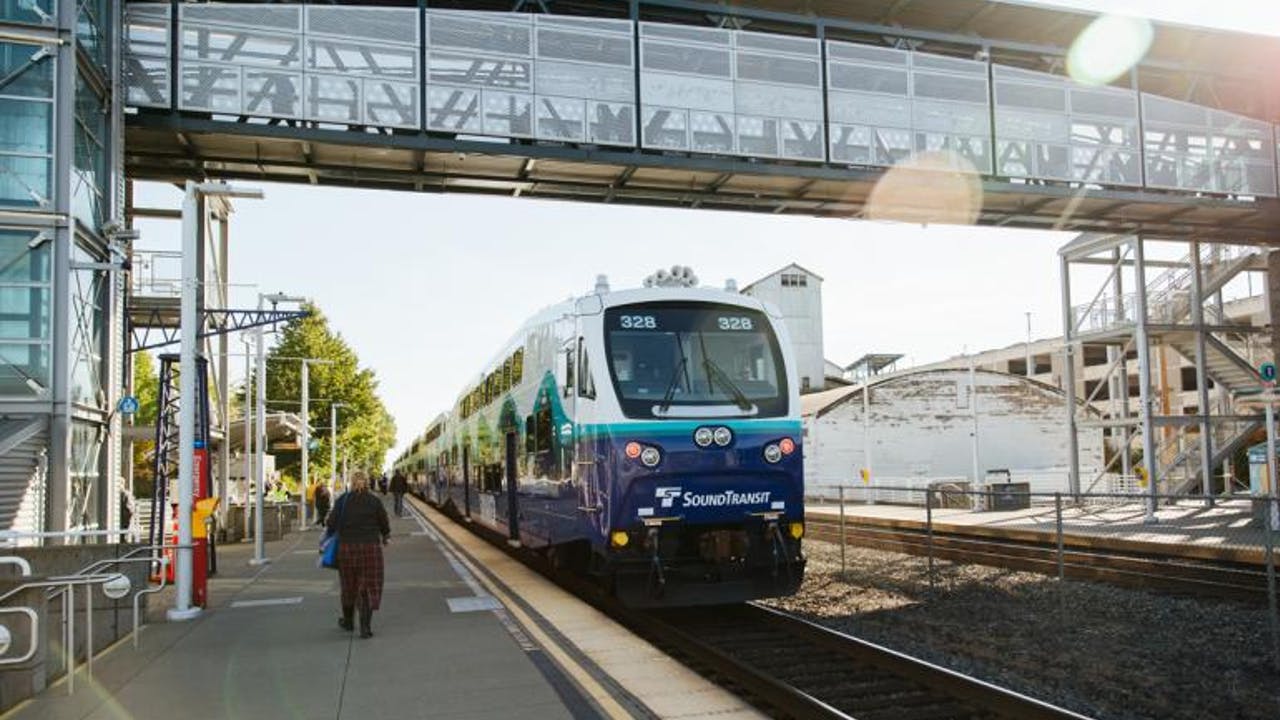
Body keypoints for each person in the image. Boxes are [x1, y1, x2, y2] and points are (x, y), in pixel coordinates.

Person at [327, 471, 390, 638]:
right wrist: (385, 536)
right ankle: (365, 628)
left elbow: (331, 523)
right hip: (370, 548)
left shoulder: (343, 500)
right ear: (367, 483)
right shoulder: (374, 501)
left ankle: (348, 622)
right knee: (369, 585)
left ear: (351, 483)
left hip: (347, 548)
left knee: (349, 586)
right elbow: (384, 522)